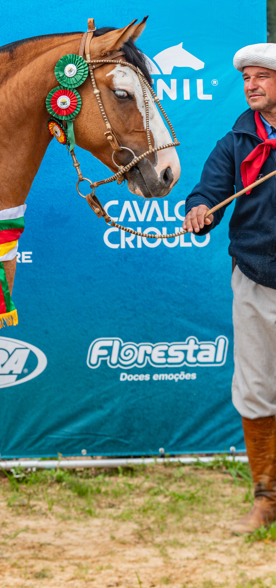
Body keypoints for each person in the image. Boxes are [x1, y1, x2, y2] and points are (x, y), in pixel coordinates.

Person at [184, 43, 276, 535]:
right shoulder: (238, 140)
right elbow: (208, 191)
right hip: (257, 278)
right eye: (248, 78)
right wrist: (201, 210)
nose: (251, 85)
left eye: (263, 77)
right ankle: (267, 499)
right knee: (257, 389)